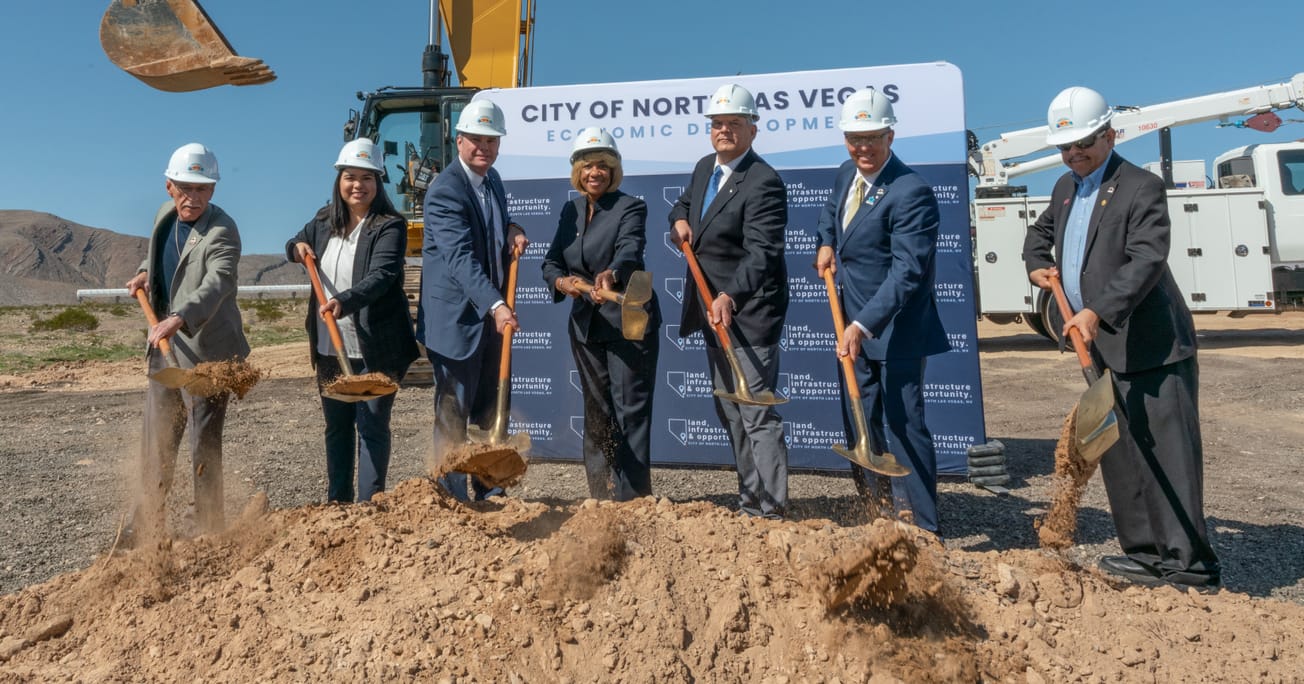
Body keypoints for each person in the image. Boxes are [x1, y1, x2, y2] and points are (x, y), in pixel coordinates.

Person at [1024, 86, 1220, 590]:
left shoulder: (1140, 186)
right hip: (1105, 349)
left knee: (1167, 456)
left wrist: (1096, 310)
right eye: (1067, 147)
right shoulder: (1066, 189)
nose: (1075, 153)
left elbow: (1146, 261)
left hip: (1152, 347)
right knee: (1122, 455)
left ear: (1110, 135)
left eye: (1085, 142)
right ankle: (1146, 553)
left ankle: (1190, 564)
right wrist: (1037, 268)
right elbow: (1038, 236)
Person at [814, 89, 951, 535]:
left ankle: (925, 526)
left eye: (873, 137)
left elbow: (907, 272)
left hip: (896, 330)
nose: (863, 148)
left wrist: (862, 324)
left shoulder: (911, 191)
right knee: (861, 423)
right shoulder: (844, 174)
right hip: (850, 323)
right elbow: (830, 214)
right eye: (855, 138)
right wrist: (827, 241)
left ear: (891, 135)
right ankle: (877, 515)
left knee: (904, 425)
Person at [669, 84, 790, 519]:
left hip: (749, 314)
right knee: (731, 412)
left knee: (756, 414)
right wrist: (679, 219)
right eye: (718, 124)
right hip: (711, 314)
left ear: (752, 130)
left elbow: (763, 253)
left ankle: (772, 511)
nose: (724, 131)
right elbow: (684, 204)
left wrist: (729, 296)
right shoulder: (705, 168)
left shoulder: (763, 182)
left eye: (734, 124)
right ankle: (749, 501)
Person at [125, 142, 249, 536]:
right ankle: (149, 524)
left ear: (213, 190)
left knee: (203, 445)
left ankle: (209, 528)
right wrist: (146, 271)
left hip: (208, 352)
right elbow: (162, 253)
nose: (193, 197)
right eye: (185, 188)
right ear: (169, 187)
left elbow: (218, 282)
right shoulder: (164, 215)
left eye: (203, 189)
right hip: (164, 349)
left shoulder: (222, 229)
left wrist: (179, 317)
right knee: (158, 441)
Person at [286, 138, 419, 503]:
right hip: (331, 345)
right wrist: (296, 249)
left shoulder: (389, 225)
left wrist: (343, 301)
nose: (357, 185)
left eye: (366, 177)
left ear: (378, 183)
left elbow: (383, 274)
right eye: (350, 177)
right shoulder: (323, 220)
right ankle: (338, 501)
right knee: (338, 427)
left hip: (376, 346)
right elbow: (295, 242)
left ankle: (370, 504)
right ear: (339, 181)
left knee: (373, 426)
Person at [416, 99, 529, 501]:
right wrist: (497, 305)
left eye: (491, 140)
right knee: (453, 415)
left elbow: (490, 232)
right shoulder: (446, 190)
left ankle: (489, 490)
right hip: (457, 321)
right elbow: (460, 259)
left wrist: (512, 227)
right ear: (458, 139)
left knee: (488, 411)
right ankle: (451, 497)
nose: (484, 147)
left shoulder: (492, 180)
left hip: (488, 319)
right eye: (476, 139)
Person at [543, 128, 661, 501]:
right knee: (596, 414)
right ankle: (600, 497)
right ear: (578, 171)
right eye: (588, 166)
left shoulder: (631, 207)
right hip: (586, 325)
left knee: (630, 414)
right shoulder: (571, 210)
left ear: (613, 170)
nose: (595, 172)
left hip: (627, 319)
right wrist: (561, 282)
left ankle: (633, 501)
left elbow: (631, 248)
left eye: (603, 166)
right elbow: (551, 261)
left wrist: (612, 271)